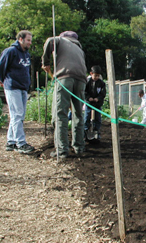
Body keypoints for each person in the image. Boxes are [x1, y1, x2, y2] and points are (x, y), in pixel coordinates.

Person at [42, 30, 87, 158]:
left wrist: (45, 62)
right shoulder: (79, 49)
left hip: (64, 78)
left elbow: (50, 41)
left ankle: (62, 150)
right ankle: (79, 146)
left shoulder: (61, 40)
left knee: (60, 113)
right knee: (78, 113)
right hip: (81, 80)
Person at [0, 30, 35, 154]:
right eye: (28, 40)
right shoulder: (10, 52)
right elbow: (0, 68)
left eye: (30, 40)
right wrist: (4, 81)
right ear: (20, 39)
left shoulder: (26, 54)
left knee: (19, 115)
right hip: (13, 87)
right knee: (17, 114)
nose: (30, 43)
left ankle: (11, 141)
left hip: (23, 88)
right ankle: (21, 143)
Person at [84, 65, 106, 140]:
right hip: (89, 103)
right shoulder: (87, 82)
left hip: (97, 104)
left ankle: (97, 131)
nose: (96, 77)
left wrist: (98, 98)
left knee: (98, 118)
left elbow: (103, 93)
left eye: (98, 76)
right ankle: (85, 131)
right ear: (91, 73)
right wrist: (88, 97)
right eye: (95, 75)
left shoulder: (101, 83)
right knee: (86, 117)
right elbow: (84, 91)